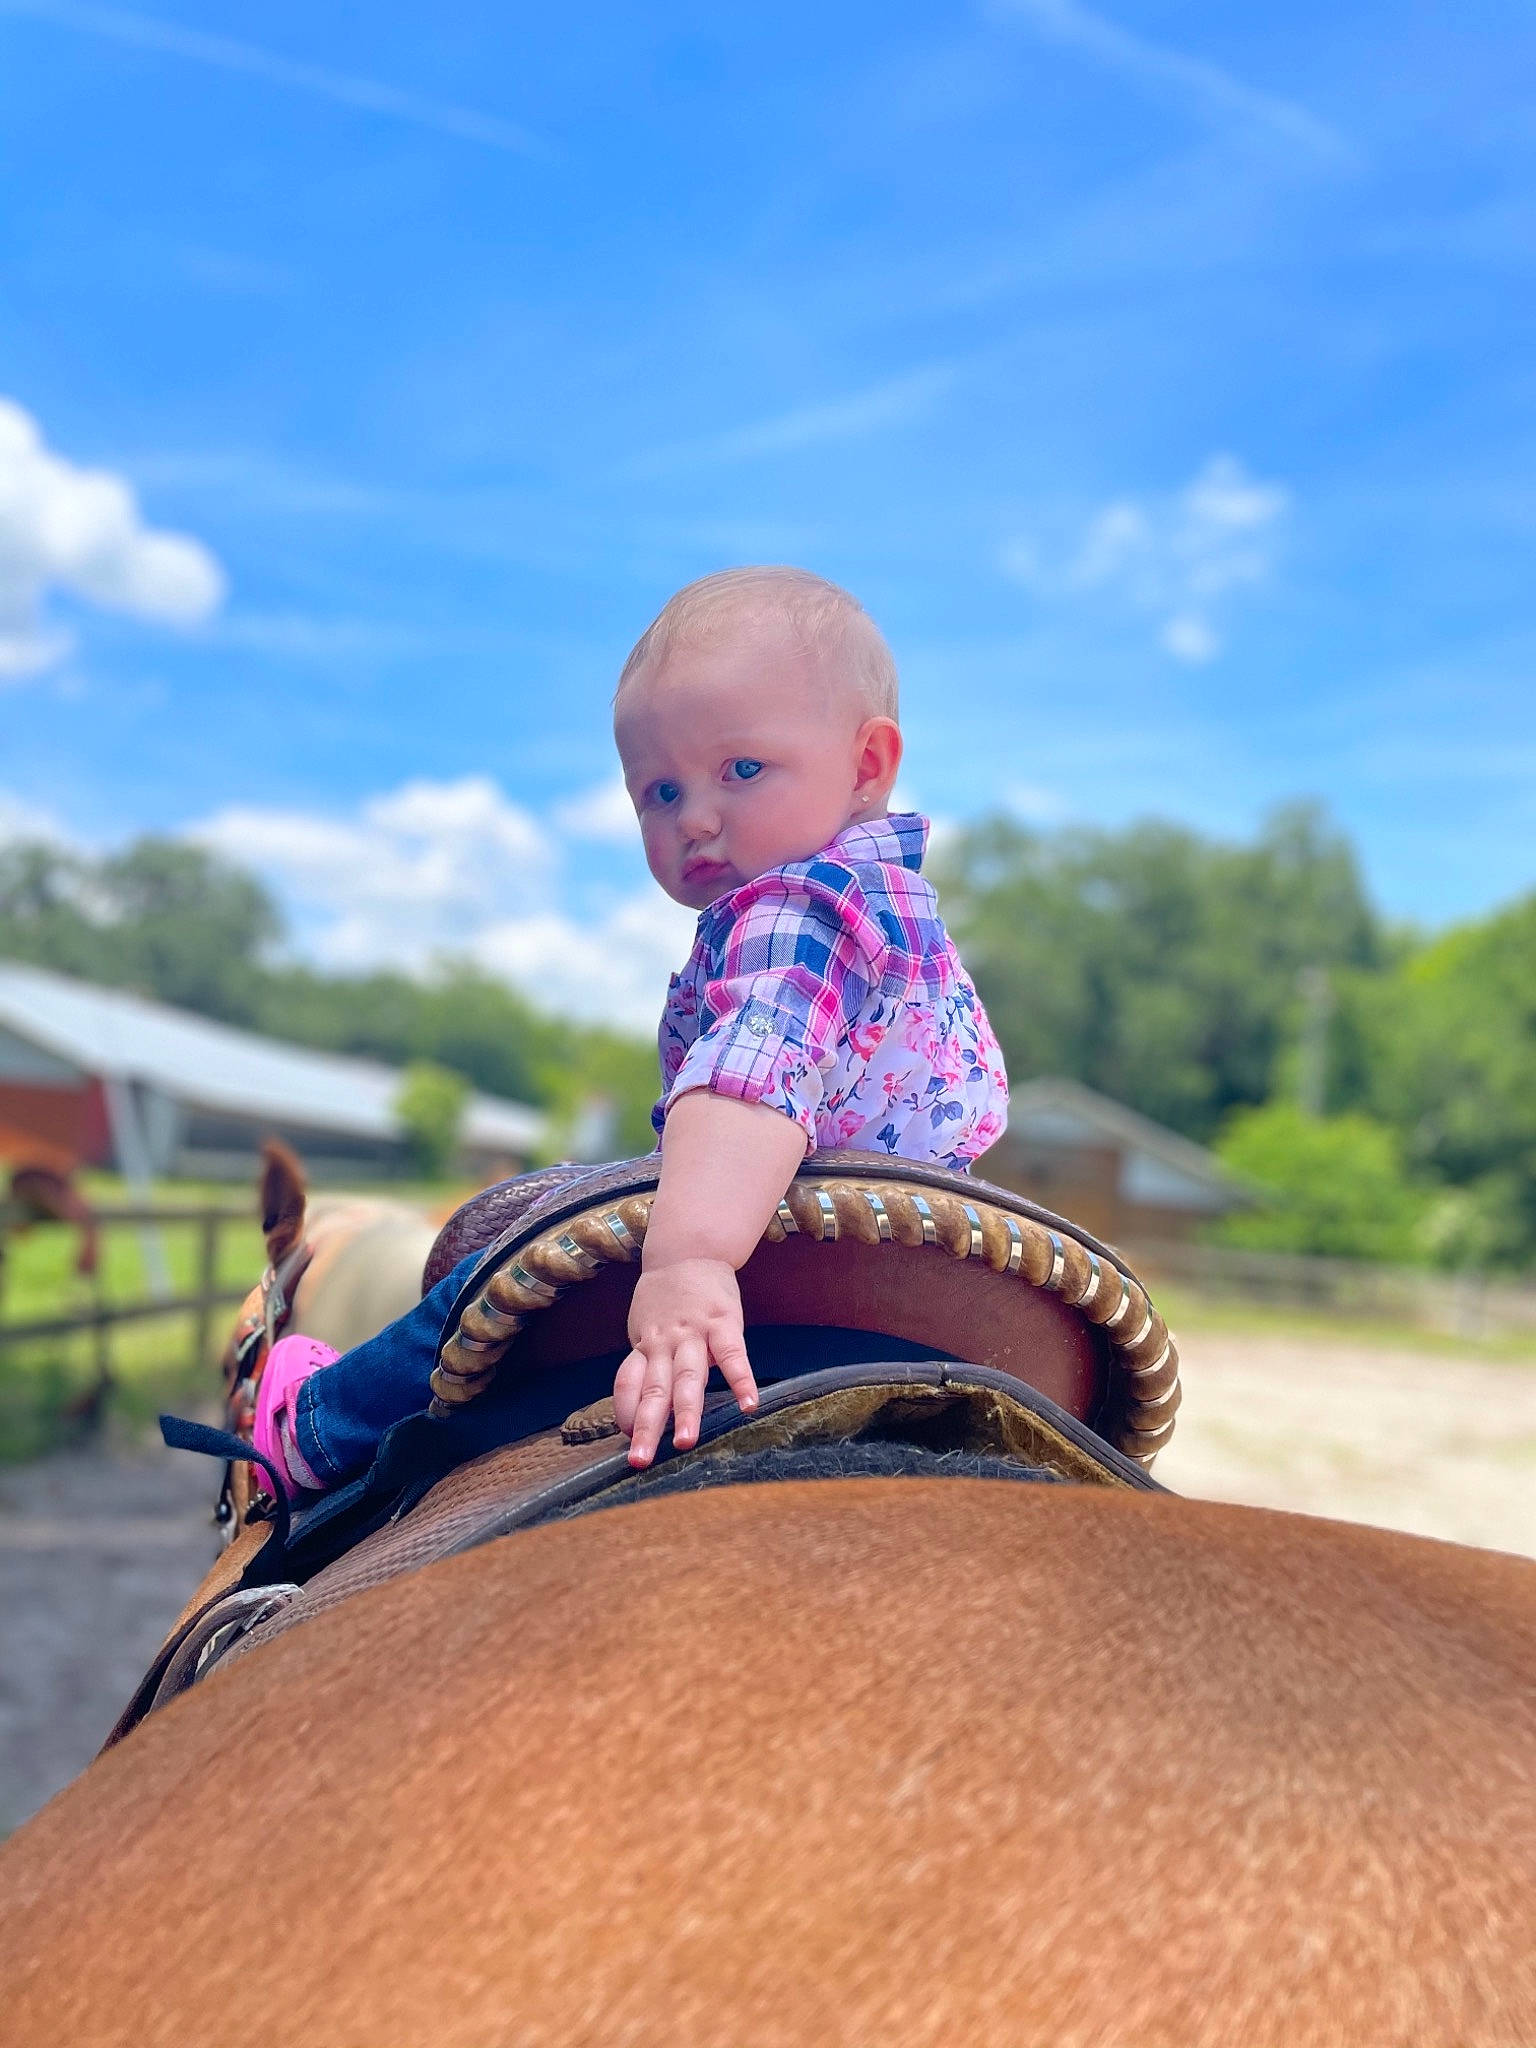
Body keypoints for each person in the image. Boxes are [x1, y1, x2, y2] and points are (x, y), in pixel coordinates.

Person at [255, 567, 1008, 1496]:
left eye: (741, 769)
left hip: (761, 1229)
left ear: (865, 766)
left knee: (512, 1254)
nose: (693, 818)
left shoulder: (788, 915)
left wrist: (689, 1263)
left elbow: (750, 1079)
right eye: (658, 792)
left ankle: (318, 1429)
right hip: (920, 1236)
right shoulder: (898, 911)